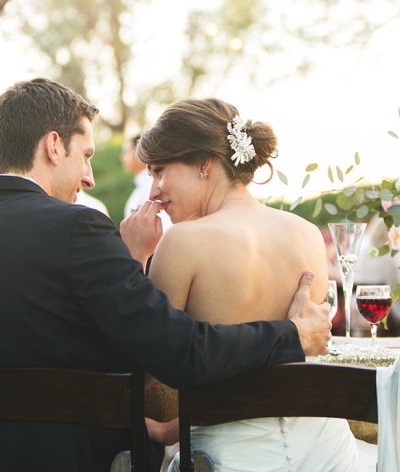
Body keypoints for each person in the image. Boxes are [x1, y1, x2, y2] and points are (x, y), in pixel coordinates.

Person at [0, 78, 331, 472]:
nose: (89, 177)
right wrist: (289, 335)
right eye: (85, 156)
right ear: (52, 146)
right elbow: (178, 353)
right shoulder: (78, 229)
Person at [127, 98, 375, 471]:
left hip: (229, 457)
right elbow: (294, 361)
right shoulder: (307, 235)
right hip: (326, 452)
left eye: (160, 170)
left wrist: (133, 261)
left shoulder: (181, 243)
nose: (153, 191)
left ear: (204, 164)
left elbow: (143, 370)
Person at [123, 135, 171, 229]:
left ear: (139, 152)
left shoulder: (151, 185)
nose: (122, 157)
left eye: (126, 152)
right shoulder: (141, 185)